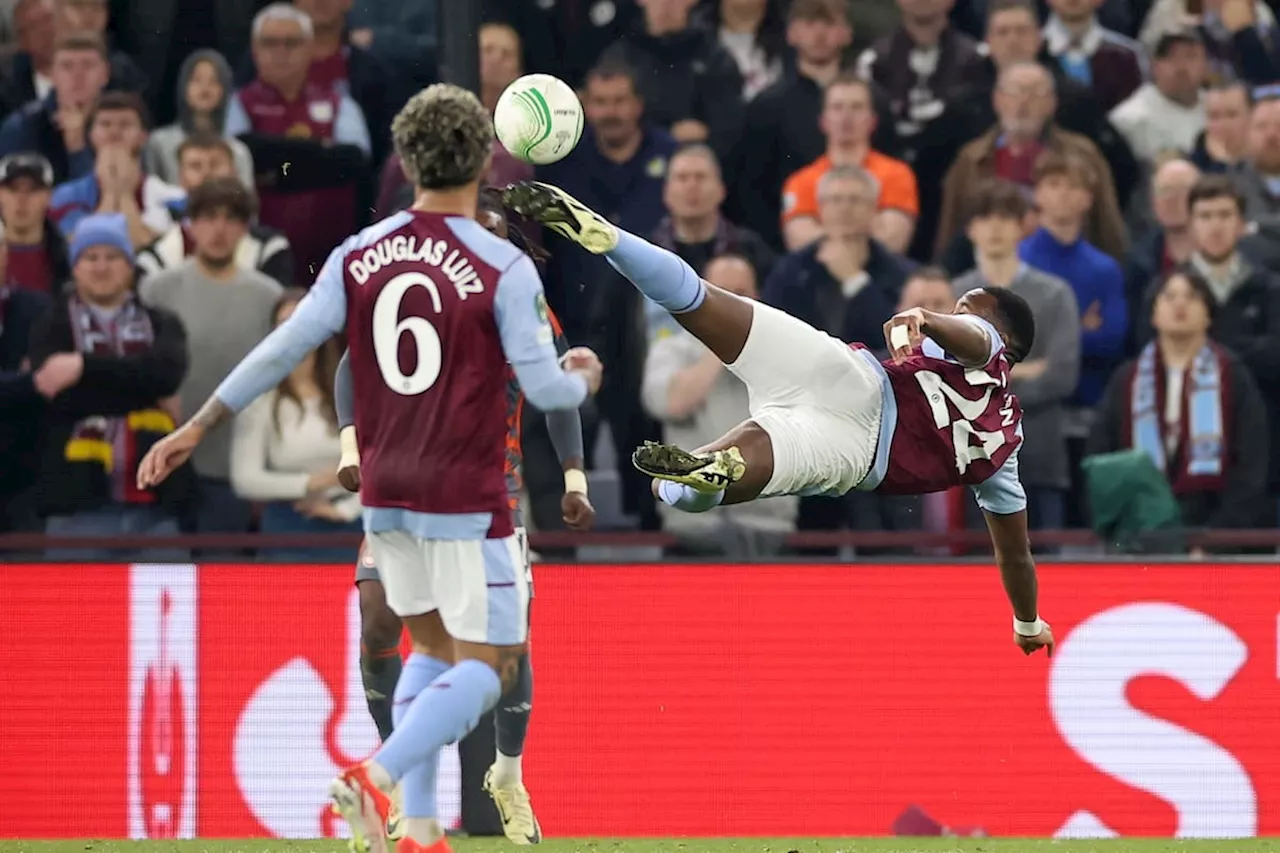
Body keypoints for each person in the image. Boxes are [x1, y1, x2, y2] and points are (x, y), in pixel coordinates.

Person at [135, 83, 602, 853]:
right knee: (493, 665)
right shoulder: (501, 266)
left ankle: (417, 828)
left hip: (388, 500)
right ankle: (376, 777)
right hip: (470, 494)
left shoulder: (360, 255)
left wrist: (198, 422)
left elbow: (286, 350)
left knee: (422, 648)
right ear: (482, 159)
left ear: (406, 159)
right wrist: (585, 373)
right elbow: (551, 388)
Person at [505, 179, 1053, 656]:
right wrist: (1027, 622)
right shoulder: (1004, 454)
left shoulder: (985, 346)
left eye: (967, 305)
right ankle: (697, 477)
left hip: (848, 379)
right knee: (717, 477)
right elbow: (1016, 555)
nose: (959, 309)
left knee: (699, 299)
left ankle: (610, 238)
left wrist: (929, 318)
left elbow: (978, 339)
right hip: (856, 453)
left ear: (1004, 339)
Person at [335, 187, 595, 845]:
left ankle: (505, 775)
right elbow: (350, 362)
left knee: (507, 648)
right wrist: (349, 445)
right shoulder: (415, 290)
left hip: (492, 494)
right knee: (378, 619)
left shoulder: (521, 304)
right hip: (404, 489)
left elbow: (559, 391)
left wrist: (572, 474)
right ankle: (397, 780)